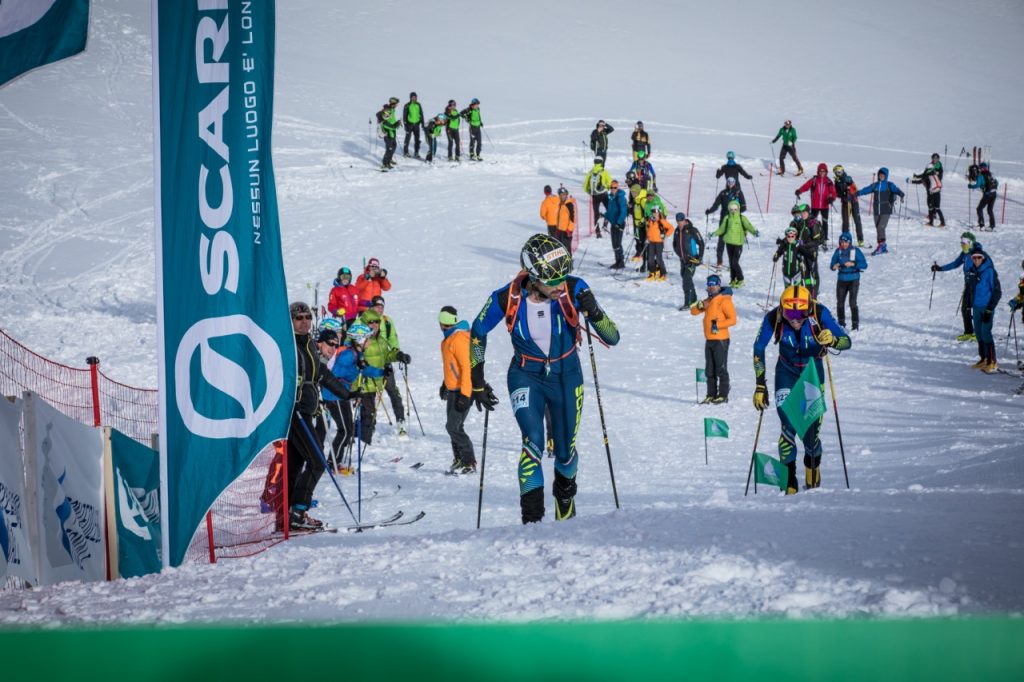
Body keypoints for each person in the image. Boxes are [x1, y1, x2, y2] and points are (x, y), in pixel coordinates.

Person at [470, 234, 619, 523]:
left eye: (563, 277)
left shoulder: (575, 288)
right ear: (534, 277)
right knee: (532, 443)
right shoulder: (506, 297)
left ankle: (565, 500)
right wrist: (477, 380)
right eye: (552, 281)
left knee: (565, 453)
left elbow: (613, 336)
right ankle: (532, 522)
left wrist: (594, 309)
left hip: (567, 375)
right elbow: (477, 332)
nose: (559, 285)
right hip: (525, 375)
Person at [752, 285, 851, 493]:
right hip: (786, 373)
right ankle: (789, 485)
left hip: (812, 374)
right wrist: (760, 384)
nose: (796, 319)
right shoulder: (774, 317)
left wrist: (832, 340)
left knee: (810, 432)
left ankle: (812, 475)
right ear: (782, 309)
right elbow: (758, 347)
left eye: (801, 313)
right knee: (787, 426)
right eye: (790, 313)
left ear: (809, 308)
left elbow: (846, 341)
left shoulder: (820, 313)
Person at [287, 301, 353, 530]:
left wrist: (347, 394)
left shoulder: (308, 345)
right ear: (291, 320)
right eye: (299, 317)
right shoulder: (289, 346)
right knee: (317, 461)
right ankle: (298, 510)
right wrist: (291, 401)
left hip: (306, 410)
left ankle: (287, 511)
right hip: (295, 412)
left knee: (295, 463)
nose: (304, 321)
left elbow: (322, 374)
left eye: (307, 317)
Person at [354, 307, 411, 442]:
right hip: (364, 384)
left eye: (376, 322)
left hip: (375, 383)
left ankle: (361, 439)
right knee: (368, 415)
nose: (374, 325)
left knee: (369, 415)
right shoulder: (360, 341)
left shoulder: (380, 340)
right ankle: (362, 442)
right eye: (370, 322)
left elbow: (387, 356)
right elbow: (354, 362)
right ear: (364, 324)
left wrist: (398, 355)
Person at [438, 306, 476, 473]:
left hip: (463, 390)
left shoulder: (458, 338)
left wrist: (465, 395)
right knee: (453, 426)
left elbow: (466, 368)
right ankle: (459, 459)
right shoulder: (447, 340)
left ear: (442, 323)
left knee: (453, 427)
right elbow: (451, 366)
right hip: (454, 389)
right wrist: (445, 384)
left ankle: (469, 462)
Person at [366, 295, 409, 436]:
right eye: (377, 306)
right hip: (370, 363)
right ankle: (369, 424)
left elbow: (393, 341)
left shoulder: (387, 321)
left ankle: (401, 421)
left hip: (385, 362)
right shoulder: (364, 320)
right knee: (369, 395)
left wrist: (398, 355)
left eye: (381, 306)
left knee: (393, 392)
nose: (379, 309)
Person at [691, 274, 735, 403]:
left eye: (713, 285)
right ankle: (711, 394)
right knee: (709, 369)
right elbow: (693, 312)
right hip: (709, 339)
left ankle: (723, 394)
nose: (711, 287)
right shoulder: (709, 300)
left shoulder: (724, 300)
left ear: (718, 285)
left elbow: (733, 320)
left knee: (720, 368)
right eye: (709, 285)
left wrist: (718, 325)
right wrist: (699, 306)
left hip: (721, 339)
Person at [931, 232, 982, 342]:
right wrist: (940, 268)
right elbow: (955, 263)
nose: (962, 245)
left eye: (964, 243)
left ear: (970, 243)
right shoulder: (965, 253)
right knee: (965, 308)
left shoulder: (977, 254)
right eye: (961, 243)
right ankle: (968, 332)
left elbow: (985, 268)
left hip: (977, 284)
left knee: (977, 308)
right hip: (968, 283)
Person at [317, 328, 354, 469]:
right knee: (343, 430)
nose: (333, 347)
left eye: (335, 344)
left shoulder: (336, 355)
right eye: (330, 343)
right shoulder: (318, 357)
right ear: (320, 342)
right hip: (331, 397)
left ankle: (331, 461)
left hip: (337, 394)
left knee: (345, 430)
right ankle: (332, 462)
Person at [966, 245, 1001, 372]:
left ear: (983, 258)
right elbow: (970, 290)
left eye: (978, 257)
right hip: (976, 307)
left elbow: (997, 292)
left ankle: (992, 361)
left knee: (986, 333)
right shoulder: (972, 271)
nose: (976, 260)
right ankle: (983, 359)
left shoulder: (990, 271)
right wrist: (968, 305)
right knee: (979, 333)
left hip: (986, 307)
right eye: (974, 257)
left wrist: (990, 308)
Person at [856, 167, 904, 255]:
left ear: (886, 176)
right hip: (876, 210)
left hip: (886, 210)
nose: (881, 176)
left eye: (883, 175)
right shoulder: (875, 185)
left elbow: (896, 190)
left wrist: (901, 194)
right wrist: (857, 193)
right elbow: (866, 190)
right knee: (878, 228)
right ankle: (882, 246)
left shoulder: (889, 185)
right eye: (880, 175)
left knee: (880, 227)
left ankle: (881, 246)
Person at [711, 199, 759, 287]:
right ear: (729, 209)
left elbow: (749, 226)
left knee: (734, 262)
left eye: (735, 209)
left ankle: (740, 279)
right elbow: (721, 229)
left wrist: (754, 232)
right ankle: (733, 279)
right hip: (729, 242)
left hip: (738, 243)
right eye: (731, 209)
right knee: (731, 261)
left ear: (738, 209)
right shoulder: (727, 218)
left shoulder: (742, 218)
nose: (733, 211)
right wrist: (713, 234)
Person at [705, 177, 747, 268]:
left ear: (735, 183)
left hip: (735, 220)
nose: (730, 183)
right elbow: (716, 205)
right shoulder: (723, 193)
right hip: (724, 219)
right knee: (721, 240)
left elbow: (744, 206)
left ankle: (734, 262)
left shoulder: (738, 192)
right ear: (727, 183)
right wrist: (710, 211)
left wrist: (737, 212)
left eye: (732, 182)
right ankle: (719, 260)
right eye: (729, 182)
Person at [829, 232, 868, 330]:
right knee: (840, 303)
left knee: (852, 303)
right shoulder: (838, 251)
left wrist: (853, 264)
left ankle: (855, 325)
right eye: (842, 242)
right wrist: (834, 266)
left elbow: (864, 264)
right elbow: (832, 264)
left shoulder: (855, 251)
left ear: (849, 242)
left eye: (846, 242)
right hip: (841, 280)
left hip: (853, 279)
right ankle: (841, 324)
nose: (844, 244)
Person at [795, 163, 837, 246]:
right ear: (818, 171)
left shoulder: (828, 181)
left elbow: (833, 192)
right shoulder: (814, 180)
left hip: (825, 206)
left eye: (824, 171)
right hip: (815, 206)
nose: (822, 172)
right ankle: (810, 237)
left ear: (826, 172)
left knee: (825, 223)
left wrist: (832, 198)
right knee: (811, 223)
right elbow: (806, 186)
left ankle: (824, 239)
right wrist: (799, 190)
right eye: (820, 171)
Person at [672, 212, 703, 308]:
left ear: (684, 220)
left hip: (692, 260)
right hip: (683, 260)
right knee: (686, 278)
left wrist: (699, 258)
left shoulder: (692, 230)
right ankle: (693, 299)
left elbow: (701, 244)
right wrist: (679, 254)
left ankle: (688, 302)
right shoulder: (677, 230)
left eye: (681, 221)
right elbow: (675, 244)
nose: (679, 223)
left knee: (686, 280)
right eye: (678, 221)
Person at [795, 204, 825, 297]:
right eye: (801, 213)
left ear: (808, 212)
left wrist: (804, 245)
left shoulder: (813, 223)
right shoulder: (802, 222)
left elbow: (818, 241)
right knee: (806, 274)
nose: (802, 214)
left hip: (811, 252)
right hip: (803, 252)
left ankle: (814, 295)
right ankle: (809, 292)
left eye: (804, 212)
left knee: (814, 274)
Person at [832, 165, 864, 246]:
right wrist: (842, 194)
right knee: (845, 222)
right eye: (836, 172)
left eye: (839, 172)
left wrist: (850, 189)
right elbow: (837, 193)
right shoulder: (837, 181)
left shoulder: (848, 178)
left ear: (843, 171)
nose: (838, 174)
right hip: (845, 203)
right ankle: (845, 239)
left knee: (857, 221)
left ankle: (860, 240)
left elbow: (855, 189)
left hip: (854, 202)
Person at [911, 153, 945, 226]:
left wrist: (914, 180)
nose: (935, 159)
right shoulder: (930, 166)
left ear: (938, 159)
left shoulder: (939, 167)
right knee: (934, 205)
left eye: (936, 158)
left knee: (931, 204)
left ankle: (932, 218)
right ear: (932, 159)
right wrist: (918, 176)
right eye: (934, 158)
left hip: (933, 187)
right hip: (933, 187)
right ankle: (935, 217)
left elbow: (926, 176)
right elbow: (924, 174)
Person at [773, 220, 809, 289]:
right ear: (786, 236)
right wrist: (776, 256)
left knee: (797, 288)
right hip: (786, 271)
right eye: (788, 236)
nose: (790, 238)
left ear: (795, 236)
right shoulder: (784, 245)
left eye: (792, 236)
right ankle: (787, 298)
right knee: (787, 287)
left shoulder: (797, 245)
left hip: (796, 271)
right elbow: (779, 251)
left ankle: (797, 298)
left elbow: (804, 252)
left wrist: (805, 257)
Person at [583, 158, 612, 238]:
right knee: (610, 209)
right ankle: (605, 223)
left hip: (594, 196)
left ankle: (597, 232)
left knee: (595, 213)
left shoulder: (591, 172)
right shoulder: (604, 171)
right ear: (601, 162)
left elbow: (585, 186)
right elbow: (610, 182)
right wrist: (608, 188)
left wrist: (589, 192)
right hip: (603, 194)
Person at [645, 205, 674, 281]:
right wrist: (648, 237)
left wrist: (666, 236)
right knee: (650, 259)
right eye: (653, 212)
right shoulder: (650, 220)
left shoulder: (662, 221)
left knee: (658, 259)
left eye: (656, 212)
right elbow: (649, 230)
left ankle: (663, 273)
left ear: (659, 212)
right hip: (651, 242)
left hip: (659, 242)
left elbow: (671, 228)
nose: (654, 213)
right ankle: (652, 273)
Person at [606, 179, 628, 269]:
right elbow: (610, 211)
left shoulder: (620, 197)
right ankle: (617, 261)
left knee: (618, 243)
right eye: (611, 188)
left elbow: (624, 211)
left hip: (619, 223)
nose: (613, 189)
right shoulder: (611, 197)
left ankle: (621, 262)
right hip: (613, 223)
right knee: (614, 243)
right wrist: (604, 215)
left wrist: (619, 223)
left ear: (617, 187)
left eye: (614, 187)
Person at [970, 162, 999, 230]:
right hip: (994, 193)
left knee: (979, 208)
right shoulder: (991, 174)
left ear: (981, 168)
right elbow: (997, 182)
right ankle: (992, 225)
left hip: (987, 194)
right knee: (990, 209)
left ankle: (981, 224)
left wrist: (970, 186)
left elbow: (977, 185)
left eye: (980, 168)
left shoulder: (981, 175)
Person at [376, 98, 401, 170]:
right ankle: (385, 163)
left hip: (392, 131)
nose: (397, 105)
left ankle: (389, 160)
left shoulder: (392, 110)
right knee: (389, 148)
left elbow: (391, 120)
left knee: (394, 146)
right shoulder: (387, 110)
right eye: (396, 103)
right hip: (388, 133)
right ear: (393, 103)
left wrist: (397, 123)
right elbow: (385, 123)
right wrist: (394, 126)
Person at [554, 186, 577, 253]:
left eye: (563, 195)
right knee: (560, 248)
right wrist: (557, 228)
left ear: (566, 195)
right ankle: (562, 262)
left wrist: (569, 230)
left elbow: (573, 219)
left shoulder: (569, 204)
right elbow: (560, 218)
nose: (561, 196)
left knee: (566, 247)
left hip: (567, 231)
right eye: (560, 195)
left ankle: (568, 261)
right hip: (560, 230)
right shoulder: (561, 204)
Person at [402, 92, 423, 158]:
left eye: (415, 97)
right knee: (407, 139)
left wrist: (422, 123)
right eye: (412, 97)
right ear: (410, 98)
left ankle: (416, 152)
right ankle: (406, 152)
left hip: (416, 124)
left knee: (417, 139)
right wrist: (405, 125)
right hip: (409, 124)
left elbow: (421, 114)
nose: (414, 98)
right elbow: (404, 116)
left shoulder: (418, 105)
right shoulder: (407, 105)